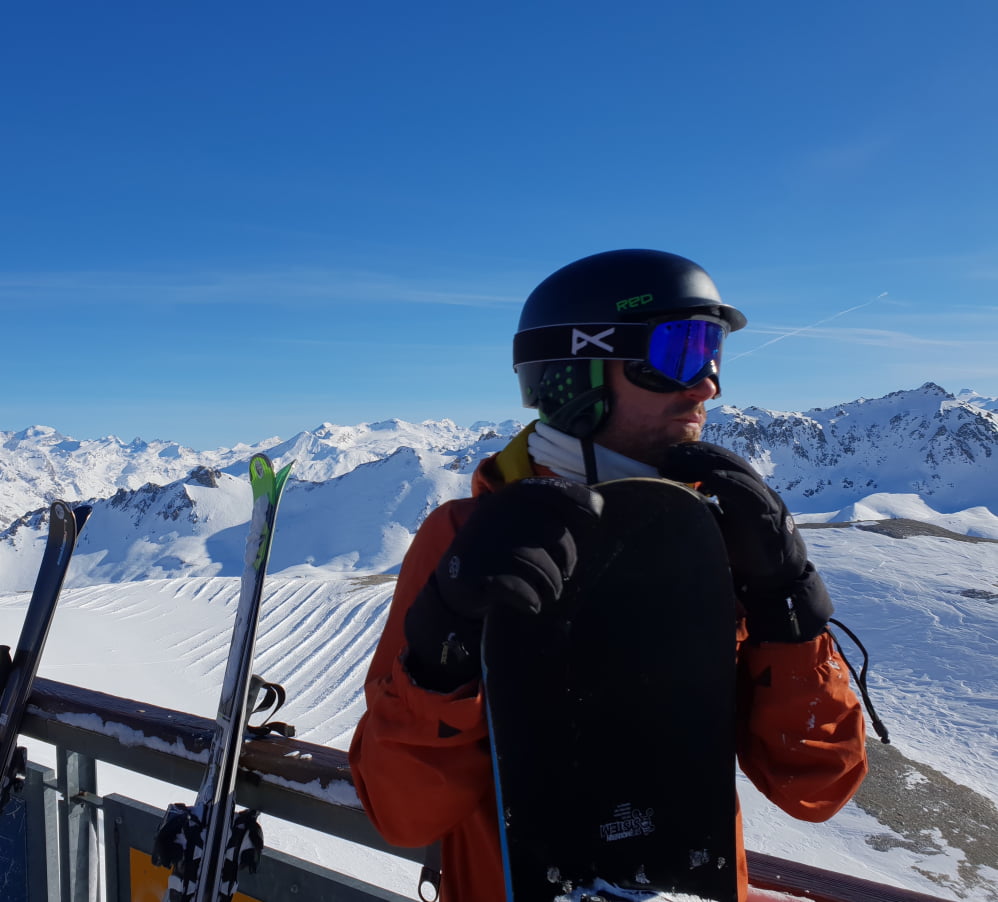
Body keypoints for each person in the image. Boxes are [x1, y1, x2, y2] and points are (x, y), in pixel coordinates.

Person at [348, 249, 869, 902]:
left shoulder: (717, 535)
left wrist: (788, 605)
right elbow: (404, 815)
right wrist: (442, 652)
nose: (707, 384)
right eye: (680, 350)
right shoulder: (468, 541)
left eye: (713, 352)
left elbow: (816, 786)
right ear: (576, 373)